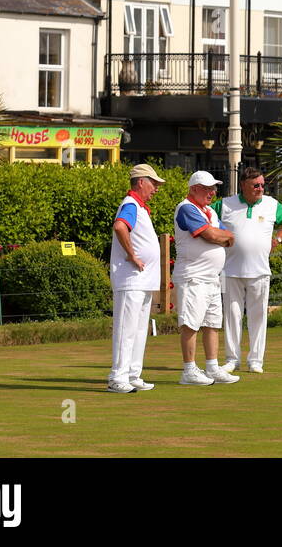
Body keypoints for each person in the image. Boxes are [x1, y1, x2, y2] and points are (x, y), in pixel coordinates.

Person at [215, 167, 282, 373]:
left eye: (262, 184)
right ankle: (232, 360)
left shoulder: (271, 204)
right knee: (231, 316)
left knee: (258, 315)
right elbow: (206, 218)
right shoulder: (225, 204)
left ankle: (255, 360)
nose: (260, 188)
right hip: (230, 270)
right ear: (243, 185)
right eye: (255, 185)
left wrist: (278, 238)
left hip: (260, 270)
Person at [173, 171, 240, 386]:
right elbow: (211, 235)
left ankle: (212, 367)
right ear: (193, 188)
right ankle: (189, 370)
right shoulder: (186, 208)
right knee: (191, 324)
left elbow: (229, 237)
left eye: (214, 188)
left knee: (212, 323)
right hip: (193, 277)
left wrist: (223, 236)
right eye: (207, 188)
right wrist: (221, 236)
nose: (212, 192)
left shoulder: (209, 211)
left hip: (212, 278)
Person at [107, 164, 165, 394]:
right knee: (126, 329)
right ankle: (117, 377)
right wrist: (132, 255)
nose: (156, 189)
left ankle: (133, 374)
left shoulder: (140, 207)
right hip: (130, 280)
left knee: (140, 330)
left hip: (142, 281)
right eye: (153, 183)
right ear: (141, 182)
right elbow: (120, 227)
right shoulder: (130, 203)